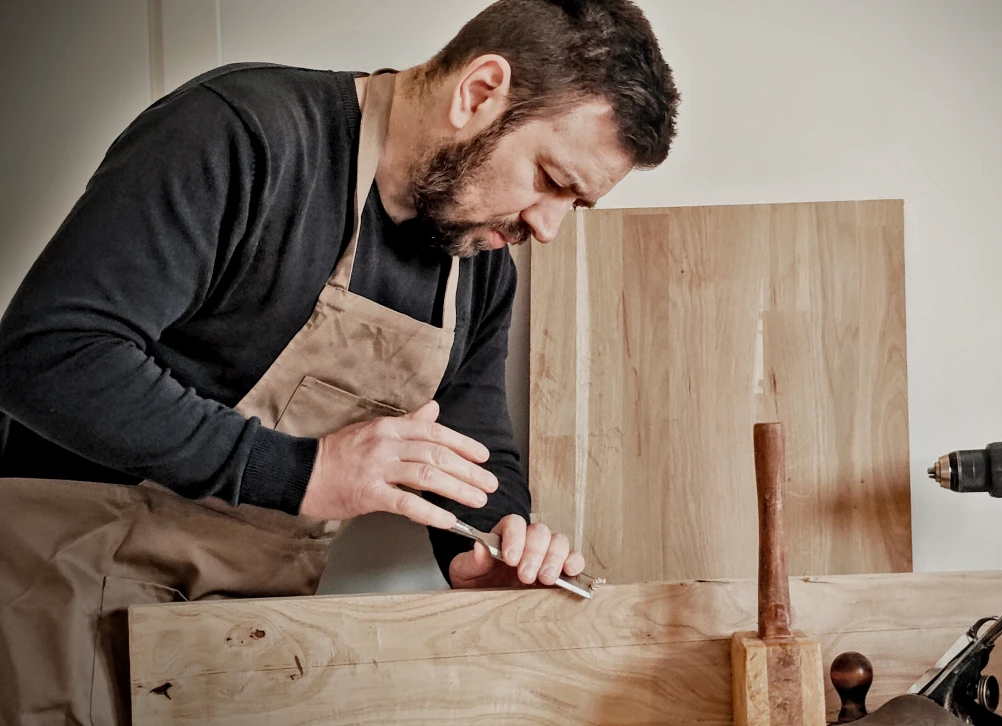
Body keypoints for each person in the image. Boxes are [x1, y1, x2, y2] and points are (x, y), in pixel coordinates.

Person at [0, 0, 680, 723]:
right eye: (549, 178)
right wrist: (303, 473)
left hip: (248, 637)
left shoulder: (479, 266)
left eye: (576, 204)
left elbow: (474, 454)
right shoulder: (242, 134)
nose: (546, 227)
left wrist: (487, 548)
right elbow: (48, 353)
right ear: (479, 92)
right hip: (73, 588)